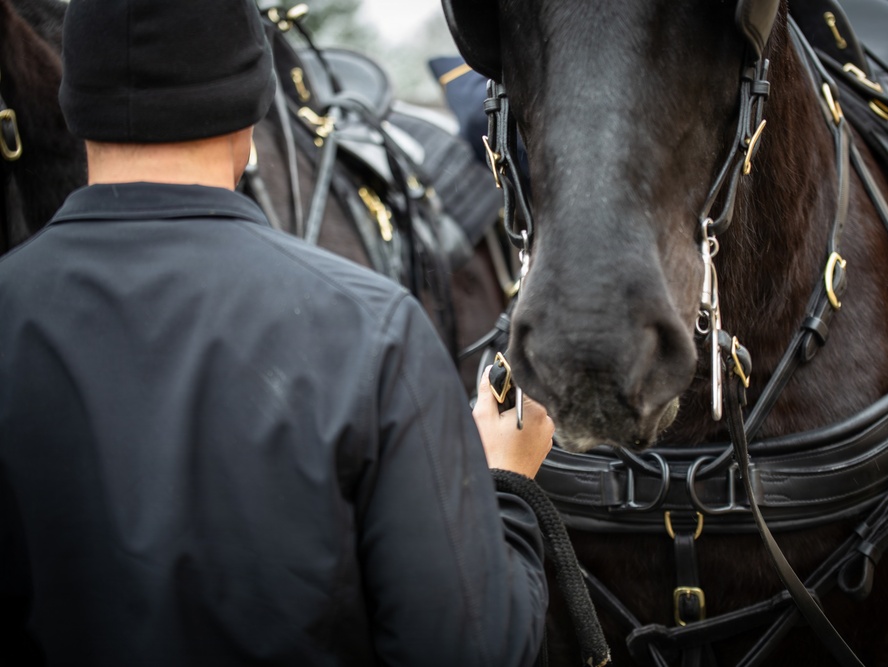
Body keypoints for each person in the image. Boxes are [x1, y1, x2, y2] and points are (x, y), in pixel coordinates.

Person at [0, 0, 554, 665]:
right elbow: (469, 648)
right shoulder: (373, 329)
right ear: (251, 115)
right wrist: (508, 484)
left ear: (75, 103)